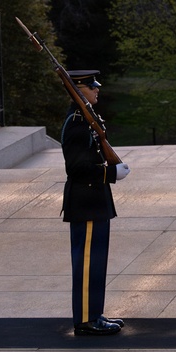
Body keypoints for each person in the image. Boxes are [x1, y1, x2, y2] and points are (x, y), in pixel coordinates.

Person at [60, 70, 131, 336]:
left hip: (94, 201)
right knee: (88, 264)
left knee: (96, 264)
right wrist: (110, 173)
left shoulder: (86, 119)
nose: (97, 89)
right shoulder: (78, 124)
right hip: (86, 202)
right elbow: (77, 168)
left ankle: (94, 314)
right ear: (79, 90)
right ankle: (86, 320)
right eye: (91, 87)